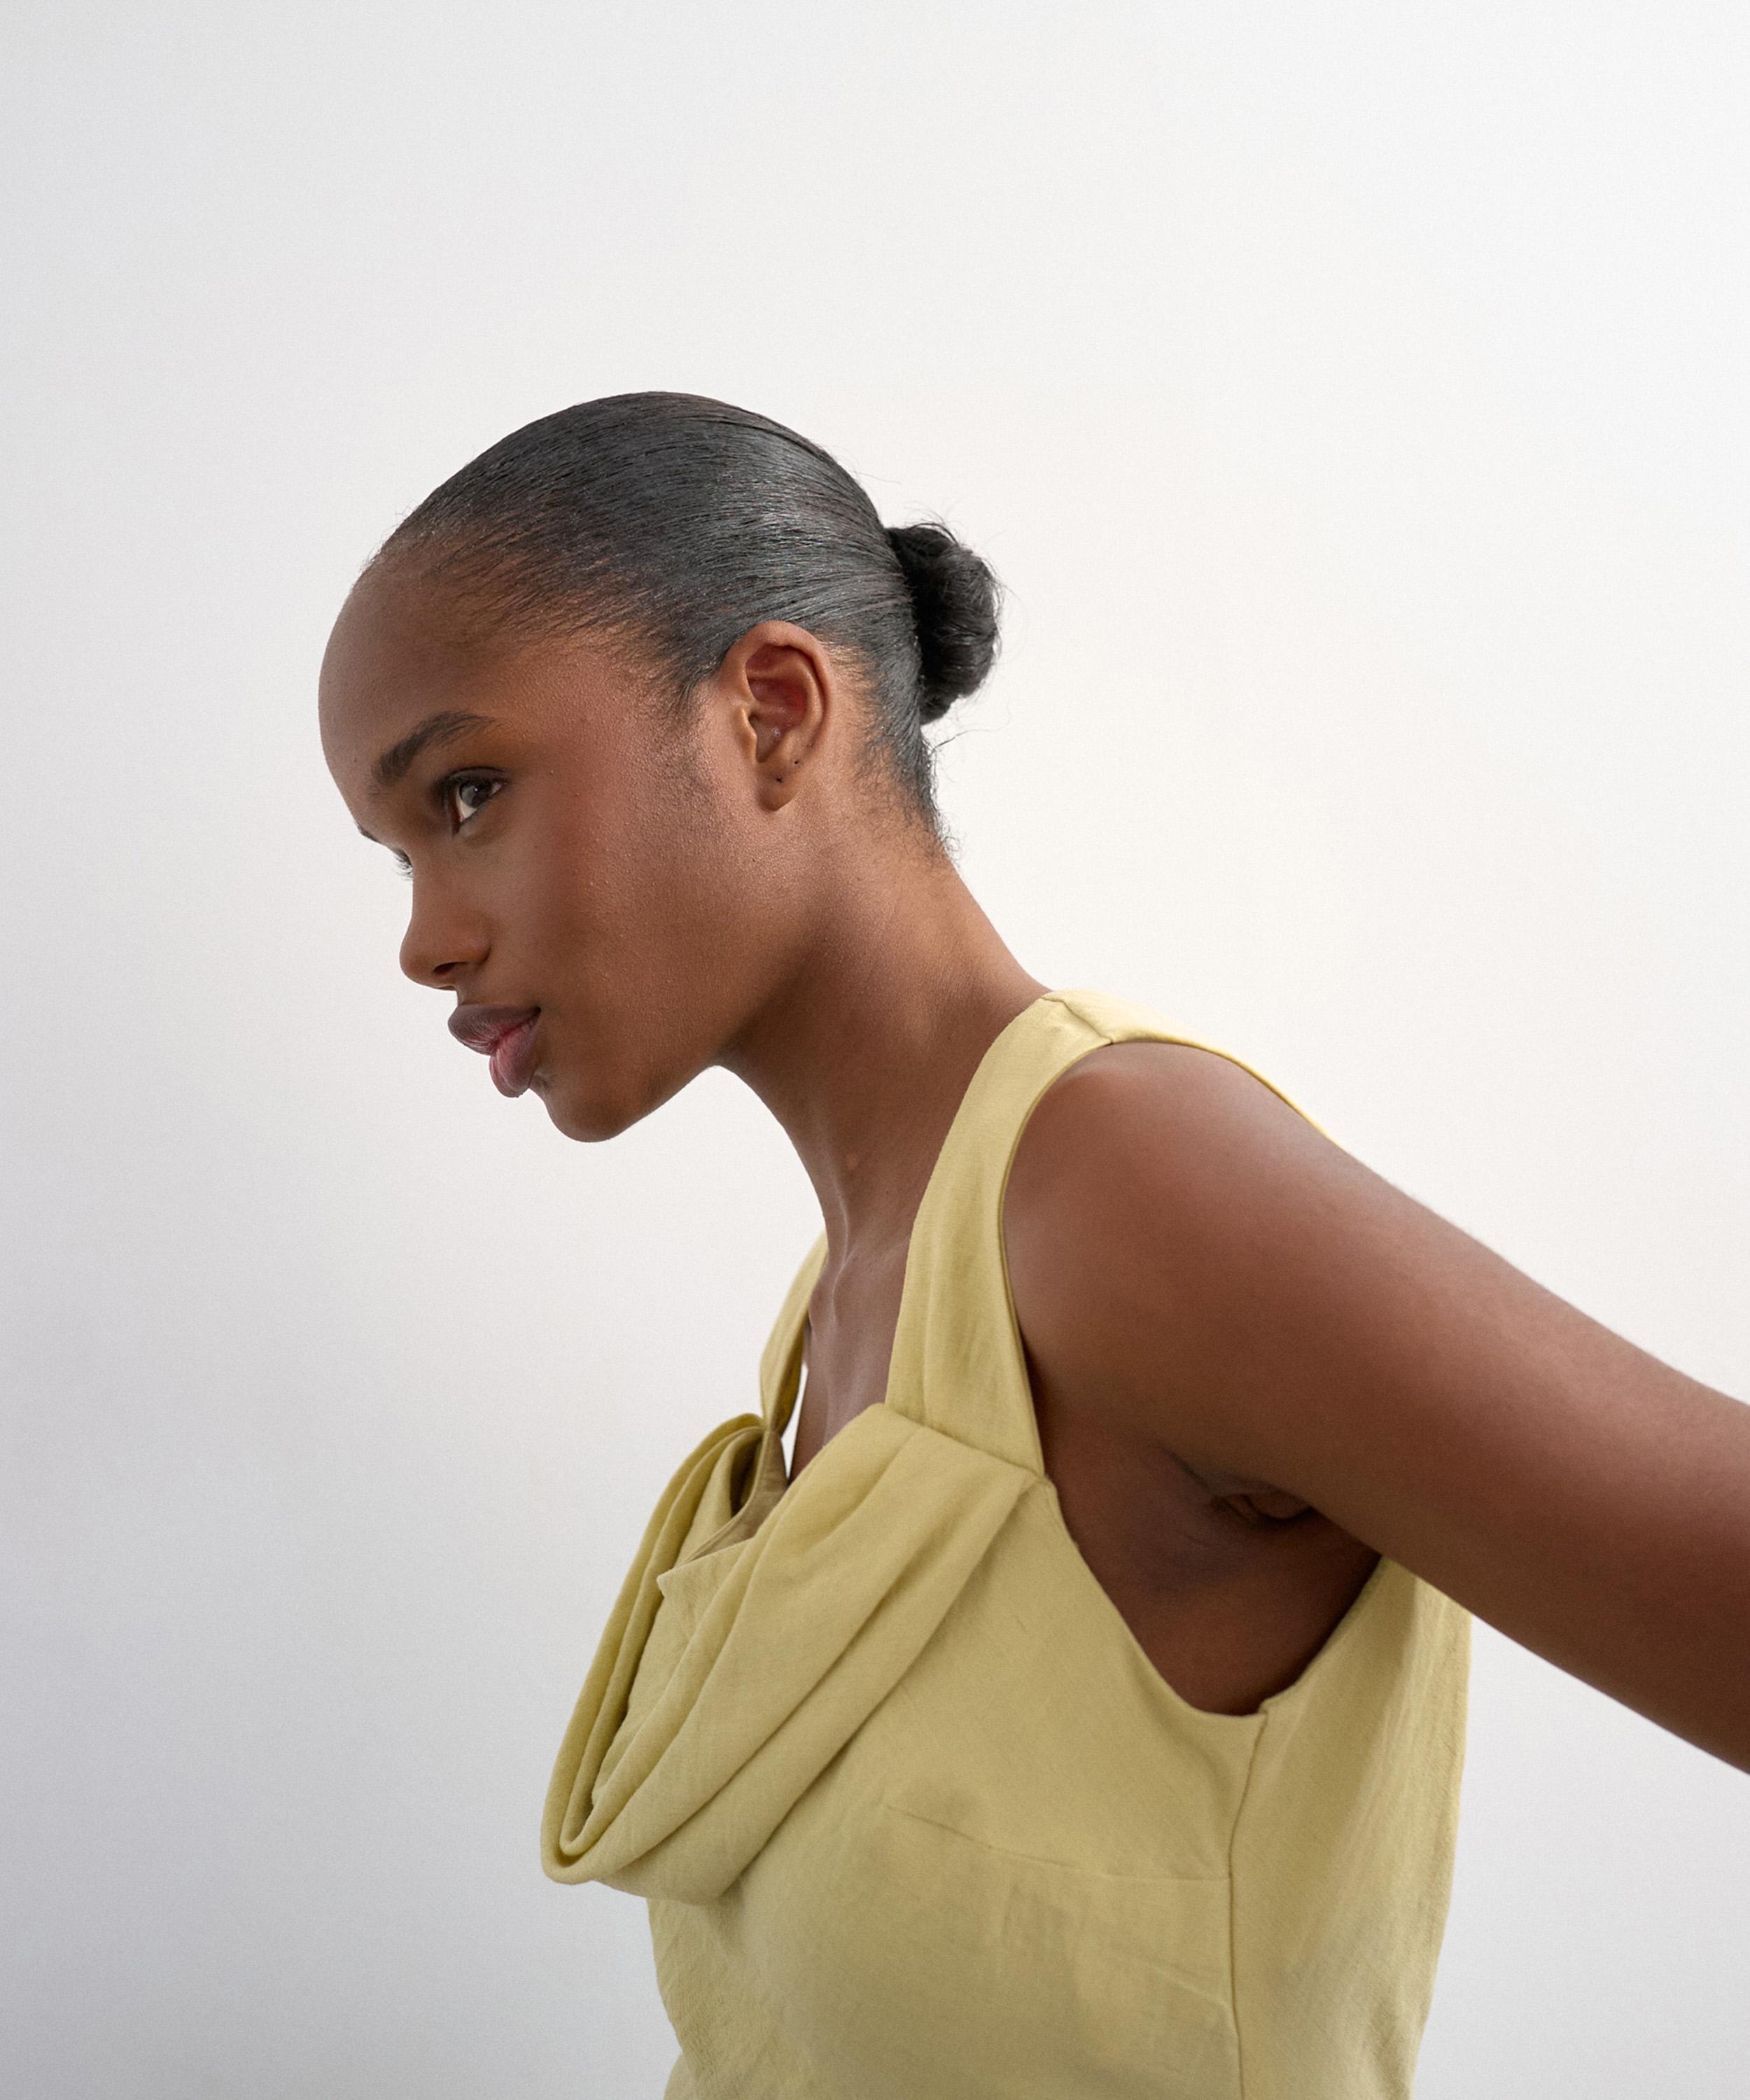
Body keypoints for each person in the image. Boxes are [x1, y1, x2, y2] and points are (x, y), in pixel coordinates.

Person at [318, 392, 1749, 2100]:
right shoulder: (852, 1300)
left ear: (771, 713)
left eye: (468, 793)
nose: (422, 941)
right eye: (396, 856)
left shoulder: (1119, 1194)